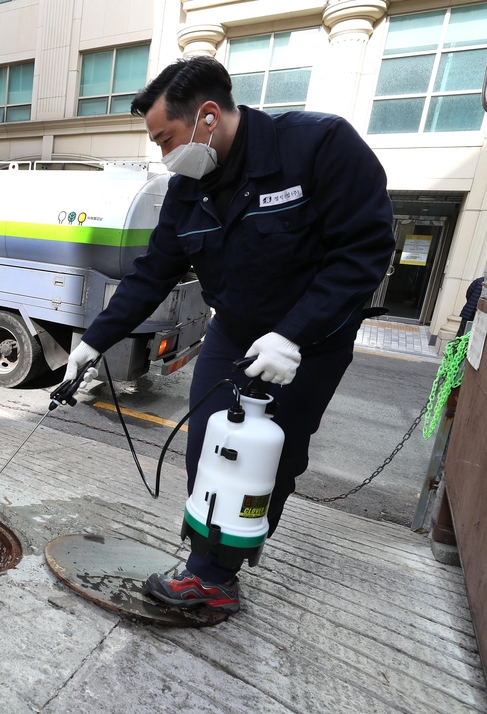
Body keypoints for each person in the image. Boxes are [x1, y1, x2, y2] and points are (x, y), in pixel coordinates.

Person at [64, 56, 395, 615]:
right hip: (233, 333)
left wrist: (292, 335)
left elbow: (364, 251)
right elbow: (153, 273)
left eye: (165, 138)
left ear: (208, 117)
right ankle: (207, 564)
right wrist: (95, 341)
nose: (163, 155)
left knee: (266, 460)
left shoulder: (318, 147)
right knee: (206, 448)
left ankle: (217, 577)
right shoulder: (188, 188)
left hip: (308, 345)